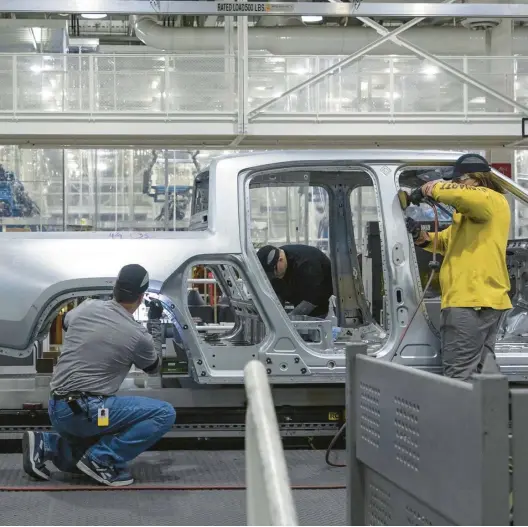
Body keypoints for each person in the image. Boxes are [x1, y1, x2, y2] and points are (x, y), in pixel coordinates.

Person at [22, 264, 175, 487]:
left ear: (115, 288)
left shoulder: (87, 307)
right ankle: (101, 460)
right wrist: (154, 325)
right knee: (164, 413)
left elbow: (66, 323)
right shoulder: (137, 335)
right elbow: (153, 368)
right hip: (87, 411)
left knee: (75, 463)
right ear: (142, 297)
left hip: (57, 406)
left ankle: (47, 444)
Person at [405, 153, 512, 381]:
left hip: (470, 301)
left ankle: (462, 417)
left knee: (459, 377)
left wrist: (429, 188)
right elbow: (445, 242)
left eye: (459, 181)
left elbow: (459, 195)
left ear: (473, 178)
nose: (456, 185)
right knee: (483, 377)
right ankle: (485, 416)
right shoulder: (470, 215)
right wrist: (420, 236)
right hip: (483, 300)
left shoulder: (488, 199)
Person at [257, 244, 333, 318]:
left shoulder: (307, 264)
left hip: (317, 299)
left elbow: (311, 300)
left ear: (281, 260)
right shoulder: (277, 259)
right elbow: (277, 293)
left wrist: (290, 319)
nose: (274, 275)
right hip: (297, 291)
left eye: (275, 271)